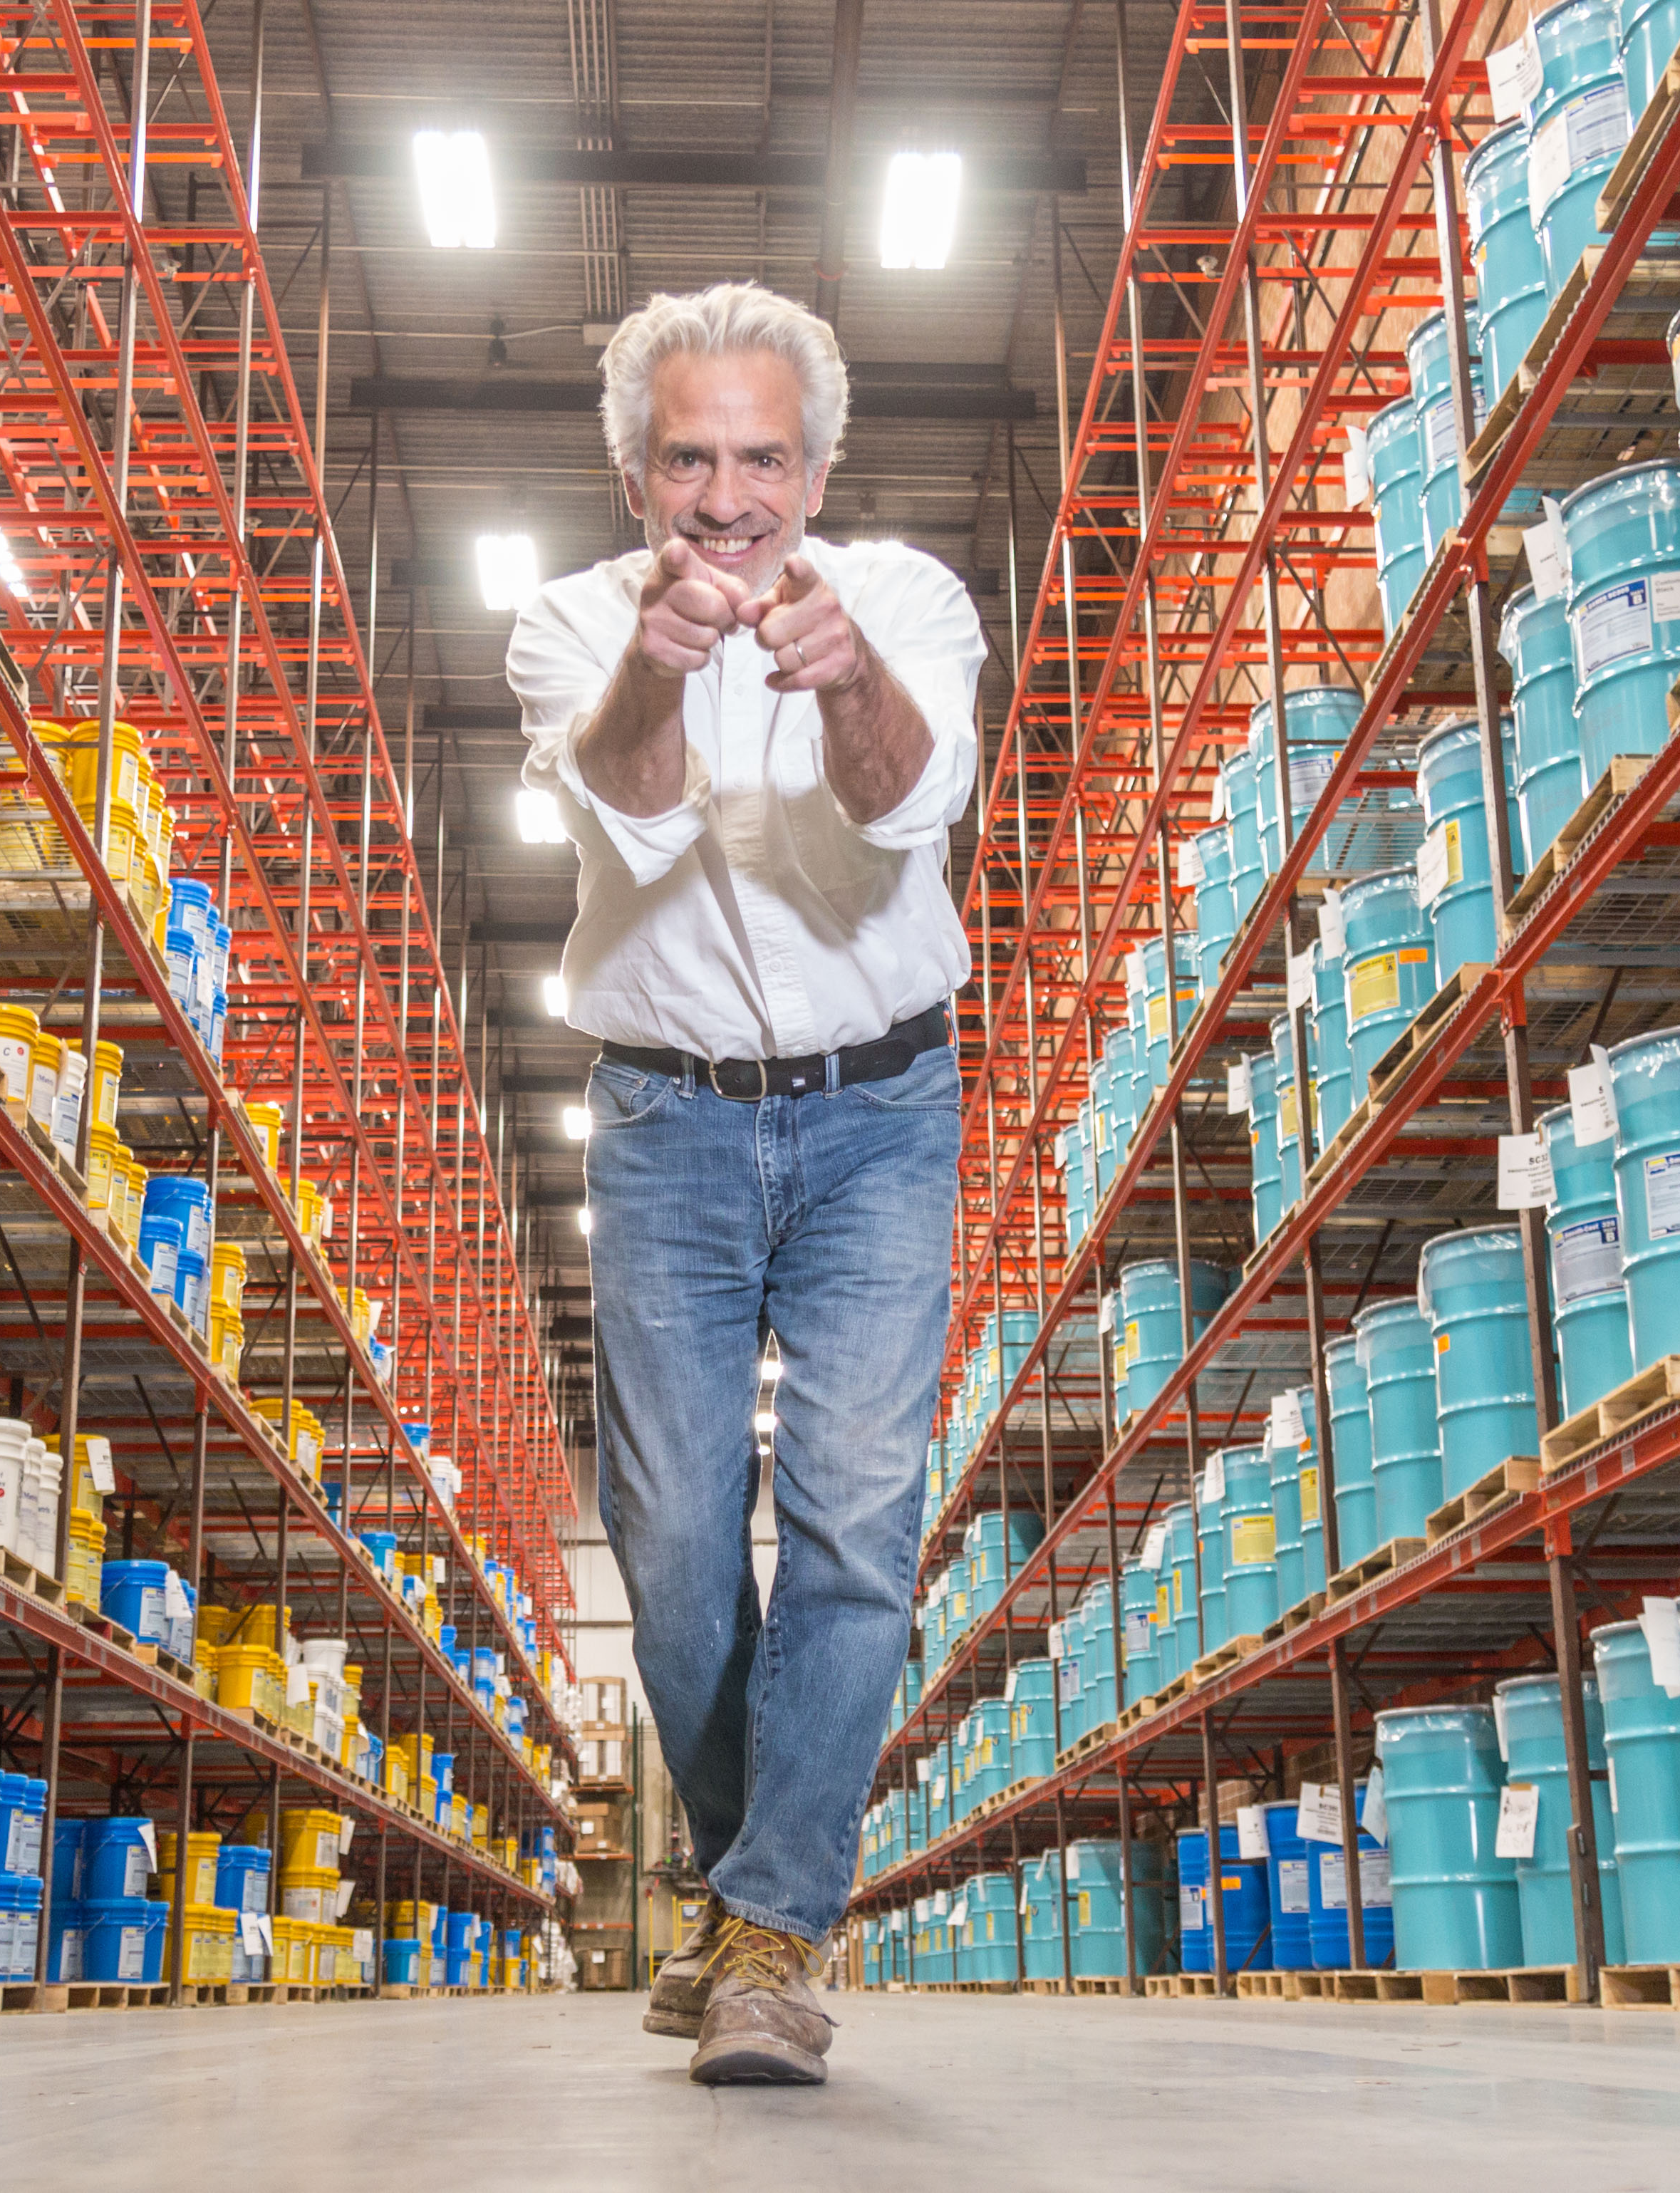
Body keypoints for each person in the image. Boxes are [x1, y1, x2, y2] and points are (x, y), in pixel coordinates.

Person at [506, 284, 982, 2086]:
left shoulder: (915, 603)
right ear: (635, 475)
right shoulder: (565, 626)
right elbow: (626, 808)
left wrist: (846, 671)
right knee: (677, 1541)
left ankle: (774, 1930)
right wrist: (664, 659)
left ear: (820, 465)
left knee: (860, 1518)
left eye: (760, 457)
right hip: (669, 1122)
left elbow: (895, 816)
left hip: (882, 1114)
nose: (727, 495)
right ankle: (742, 1880)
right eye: (689, 458)